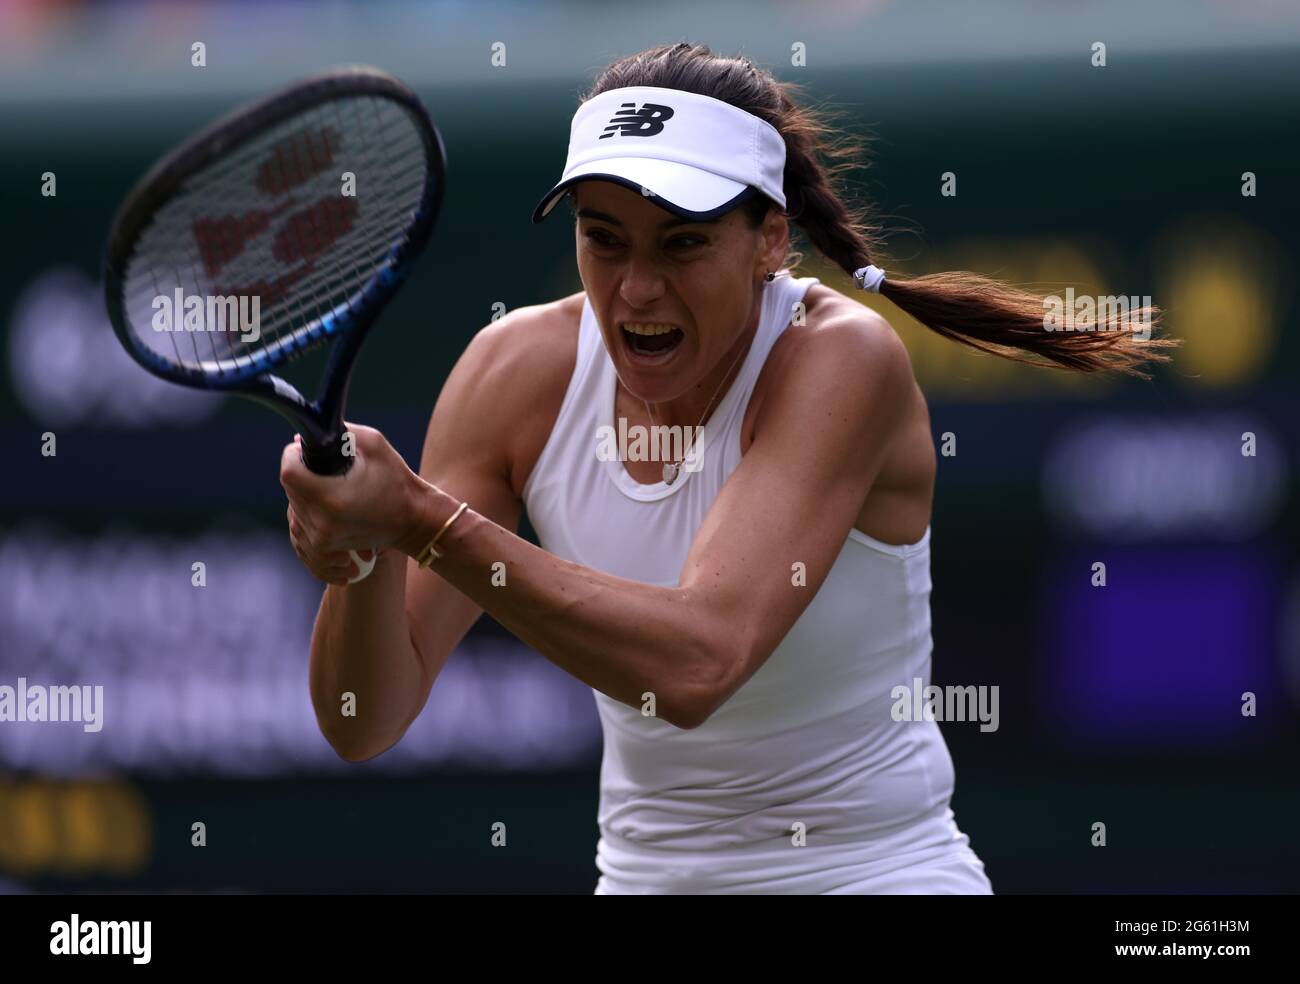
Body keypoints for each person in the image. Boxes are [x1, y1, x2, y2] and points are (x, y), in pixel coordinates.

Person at [280, 43, 1174, 893]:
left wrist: (419, 520)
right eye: (605, 239)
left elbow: (698, 665)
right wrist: (364, 554)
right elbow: (364, 720)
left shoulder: (841, 359)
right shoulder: (514, 372)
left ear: (770, 241)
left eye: (682, 243)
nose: (637, 288)